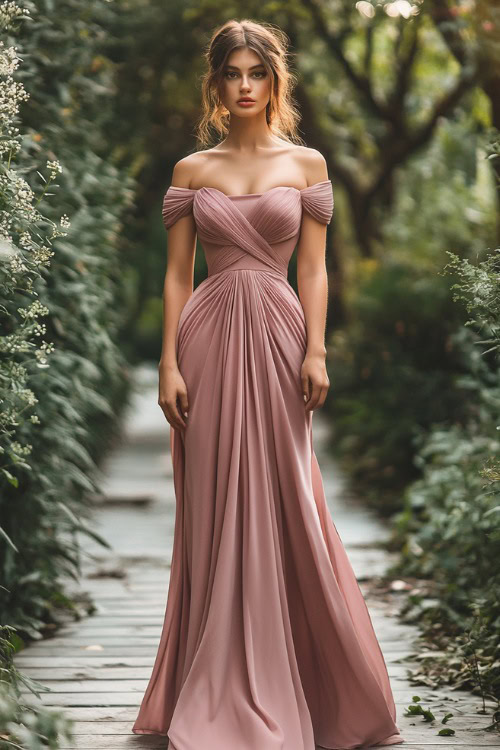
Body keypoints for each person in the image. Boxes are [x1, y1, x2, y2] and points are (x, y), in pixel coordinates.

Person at [132, 18, 404, 750]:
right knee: (218, 496)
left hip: (282, 341)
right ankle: (211, 676)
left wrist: (316, 350)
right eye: (232, 74)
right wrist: (167, 362)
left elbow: (312, 269)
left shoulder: (308, 165)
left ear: (274, 81)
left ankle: (316, 684)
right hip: (210, 341)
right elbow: (175, 277)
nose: (245, 86)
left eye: (257, 72)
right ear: (215, 84)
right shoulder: (193, 172)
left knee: (288, 492)